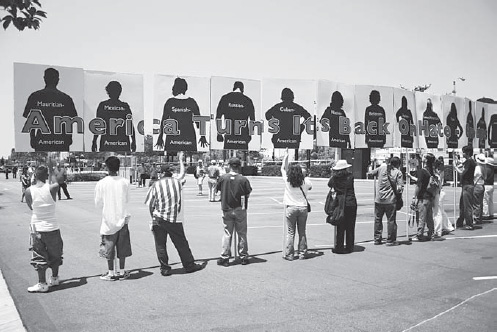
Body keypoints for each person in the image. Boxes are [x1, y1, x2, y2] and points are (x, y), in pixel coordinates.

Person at [144, 152, 205, 276]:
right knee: (181, 243)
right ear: (171, 172)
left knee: (160, 244)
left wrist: (153, 218)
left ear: (161, 173)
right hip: (174, 219)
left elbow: (150, 204)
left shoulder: (155, 185)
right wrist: (181, 160)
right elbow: (182, 174)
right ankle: (189, 265)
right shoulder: (177, 183)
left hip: (158, 218)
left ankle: (165, 268)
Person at [25, 165, 63, 293]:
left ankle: (42, 283)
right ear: (47, 176)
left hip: (37, 227)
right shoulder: (53, 188)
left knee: (38, 255)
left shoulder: (29, 191)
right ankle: (55, 277)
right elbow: (58, 177)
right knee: (55, 253)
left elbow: (31, 207)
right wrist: (53, 168)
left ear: (34, 176)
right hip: (52, 226)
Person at [94, 156, 132, 281]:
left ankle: (111, 272)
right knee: (123, 246)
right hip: (122, 218)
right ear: (119, 167)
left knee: (109, 246)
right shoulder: (125, 182)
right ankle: (121, 271)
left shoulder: (101, 183)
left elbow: (98, 203)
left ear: (106, 166)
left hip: (108, 220)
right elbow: (127, 199)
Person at [22, 68, 78, 151]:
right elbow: (69, 121)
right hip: (61, 139)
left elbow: (31, 121)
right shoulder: (66, 98)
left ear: (44, 78)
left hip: (42, 139)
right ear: (58, 80)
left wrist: (32, 138)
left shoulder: (35, 96)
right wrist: (69, 137)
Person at [155, 77, 208, 152]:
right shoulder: (191, 102)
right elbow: (199, 122)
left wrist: (160, 137)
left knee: (172, 159)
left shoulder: (170, 102)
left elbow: (164, 121)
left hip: (173, 140)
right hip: (188, 138)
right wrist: (203, 136)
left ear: (175, 88)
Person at [216, 157, 252, 266]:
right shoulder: (243, 179)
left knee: (227, 233)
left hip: (227, 207)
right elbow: (248, 193)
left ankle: (225, 257)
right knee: (242, 233)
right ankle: (243, 256)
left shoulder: (223, 178)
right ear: (239, 167)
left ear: (229, 166)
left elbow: (218, 191)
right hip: (240, 208)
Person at [280, 149, 312, 260]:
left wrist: (286, 157)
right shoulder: (306, 181)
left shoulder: (288, 181)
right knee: (302, 232)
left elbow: (283, 168)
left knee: (291, 232)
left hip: (291, 207)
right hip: (302, 207)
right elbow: (310, 187)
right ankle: (303, 253)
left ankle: (289, 254)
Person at [367, 156, 404, 246]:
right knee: (391, 220)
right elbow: (400, 188)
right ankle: (390, 240)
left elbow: (370, 173)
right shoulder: (398, 172)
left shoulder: (382, 168)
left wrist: (373, 165)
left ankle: (377, 238)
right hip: (390, 200)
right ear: (398, 164)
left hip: (379, 199)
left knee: (378, 219)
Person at [91, 81, 137, 152]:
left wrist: (94, 141)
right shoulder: (125, 106)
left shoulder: (103, 105)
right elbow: (130, 125)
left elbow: (98, 126)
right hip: (122, 142)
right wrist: (133, 141)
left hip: (107, 142)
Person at [215, 81, 256, 150]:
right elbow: (252, 119)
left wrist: (219, 133)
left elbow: (218, 117)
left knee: (228, 157)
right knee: (243, 159)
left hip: (229, 137)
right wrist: (250, 134)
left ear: (234, 88)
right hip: (243, 136)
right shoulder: (248, 100)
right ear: (242, 89)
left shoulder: (225, 98)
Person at [328, 160, 357, 254]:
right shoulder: (350, 177)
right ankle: (349, 246)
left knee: (340, 225)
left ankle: (339, 246)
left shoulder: (335, 178)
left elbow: (329, 184)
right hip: (351, 202)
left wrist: (333, 173)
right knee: (350, 226)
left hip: (340, 203)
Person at [411, 153, 436, 241]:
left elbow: (419, 185)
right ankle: (431, 233)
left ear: (426, 160)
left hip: (423, 196)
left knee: (421, 216)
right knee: (429, 217)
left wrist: (415, 197)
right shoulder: (430, 171)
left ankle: (419, 234)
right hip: (429, 196)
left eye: (424, 157)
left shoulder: (422, 171)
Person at [455, 145, 476, 230]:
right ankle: (460, 221)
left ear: (467, 153)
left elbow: (462, 172)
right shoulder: (469, 161)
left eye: (463, 152)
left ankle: (469, 223)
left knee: (467, 206)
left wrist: (455, 167)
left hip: (467, 185)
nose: (462, 153)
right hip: (466, 185)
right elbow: (461, 165)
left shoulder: (469, 161)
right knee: (462, 205)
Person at [432, 157, 455, 236]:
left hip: (439, 192)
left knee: (437, 212)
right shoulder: (439, 172)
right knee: (441, 211)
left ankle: (438, 230)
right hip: (441, 192)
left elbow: (438, 185)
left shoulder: (437, 173)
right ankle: (448, 226)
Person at [473, 154, 487, 225]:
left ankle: (476, 218)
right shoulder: (483, 168)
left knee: (476, 203)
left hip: (477, 186)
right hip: (482, 185)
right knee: (480, 203)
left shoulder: (477, 168)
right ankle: (479, 217)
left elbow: (474, 176)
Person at [483, 156, 495, 220]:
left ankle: (486, 214)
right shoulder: (492, 169)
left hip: (486, 185)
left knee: (485, 200)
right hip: (491, 185)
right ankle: (491, 213)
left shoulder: (487, 169)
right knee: (490, 201)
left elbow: (484, 177)